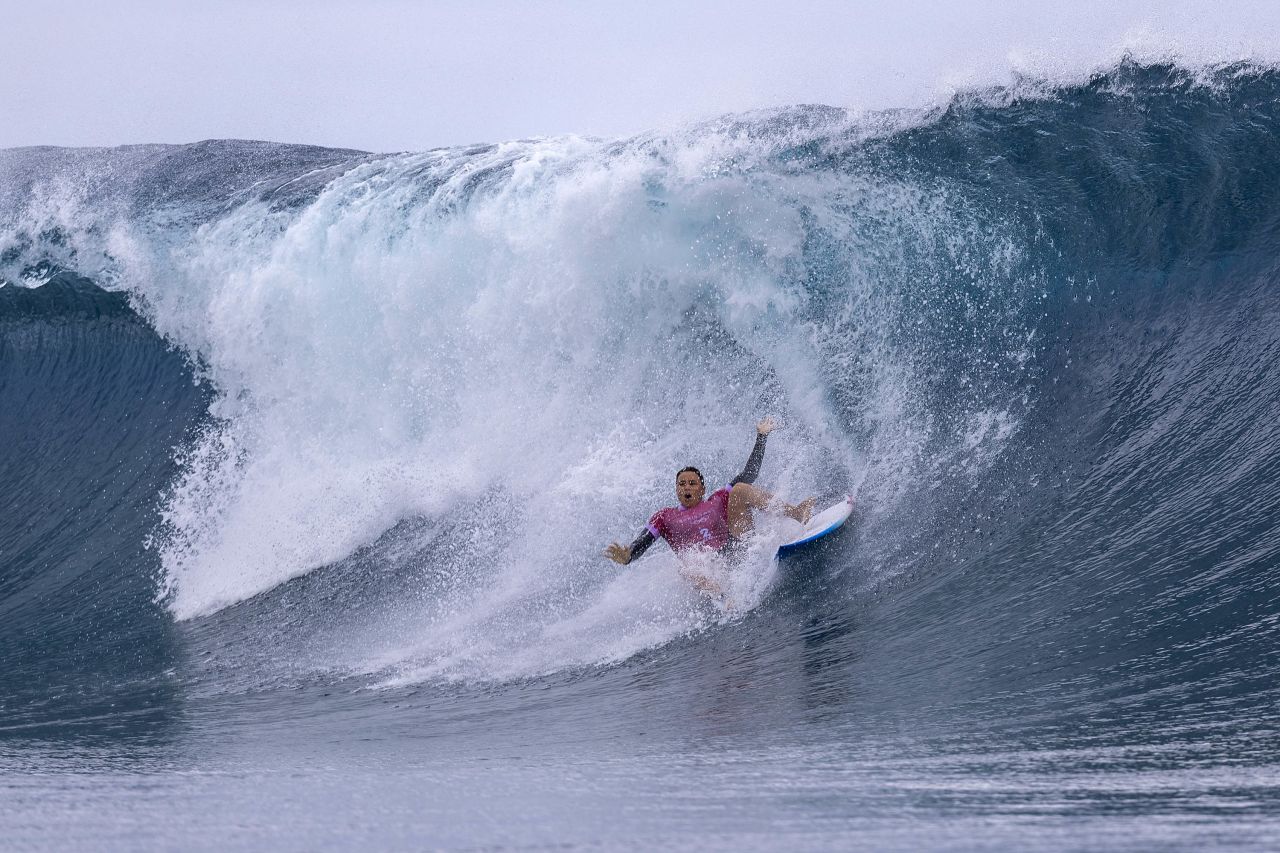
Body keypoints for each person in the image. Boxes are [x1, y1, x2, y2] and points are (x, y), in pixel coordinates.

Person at [604, 417, 815, 594]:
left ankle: (798, 513)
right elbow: (644, 540)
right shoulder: (664, 517)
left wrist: (761, 437)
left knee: (740, 488)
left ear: (702, 489)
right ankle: (725, 598)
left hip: (737, 550)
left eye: (692, 483)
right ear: (676, 489)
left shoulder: (717, 499)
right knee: (686, 570)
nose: (686, 487)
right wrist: (628, 555)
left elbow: (750, 473)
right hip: (708, 570)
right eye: (681, 484)